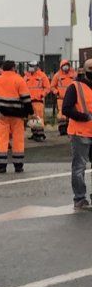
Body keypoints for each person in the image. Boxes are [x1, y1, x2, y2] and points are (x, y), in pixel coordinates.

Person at [0, 60, 31, 174]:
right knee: (18, 140)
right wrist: (27, 113)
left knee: (2, 140)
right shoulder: (19, 80)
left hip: (2, 115)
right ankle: (18, 165)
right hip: (17, 116)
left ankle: (1, 166)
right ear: (13, 68)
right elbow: (26, 99)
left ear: (3, 69)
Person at [62, 57, 92, 210]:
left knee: (79, 167)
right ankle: (80, 198)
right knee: (79, 167)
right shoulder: (75, 87)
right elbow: (66, 109)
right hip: (80, 133)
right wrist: (84, 117)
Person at [23, 61, 49, 136]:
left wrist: (41, 95)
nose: (30, 67)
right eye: (30, 66)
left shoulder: (42, 75)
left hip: (38, 100)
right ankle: (34, 133)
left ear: (37, 67)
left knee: (38, 118)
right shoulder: (26, 76)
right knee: (31, 118)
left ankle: (40, 134)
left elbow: (47, 87)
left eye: (32, 66)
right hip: (29, 101)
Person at [52, 60, 76, 136]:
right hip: (61, 98)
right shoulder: (57, 75)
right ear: (61, 66)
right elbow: (52, 86)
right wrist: (56, 92)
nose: (65, 67)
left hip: (72, 98)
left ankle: (71, 129)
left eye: (67, 65)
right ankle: (62, 130)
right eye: (64, 65)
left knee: (71, 113)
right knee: (62, 115)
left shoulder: (74, 74)